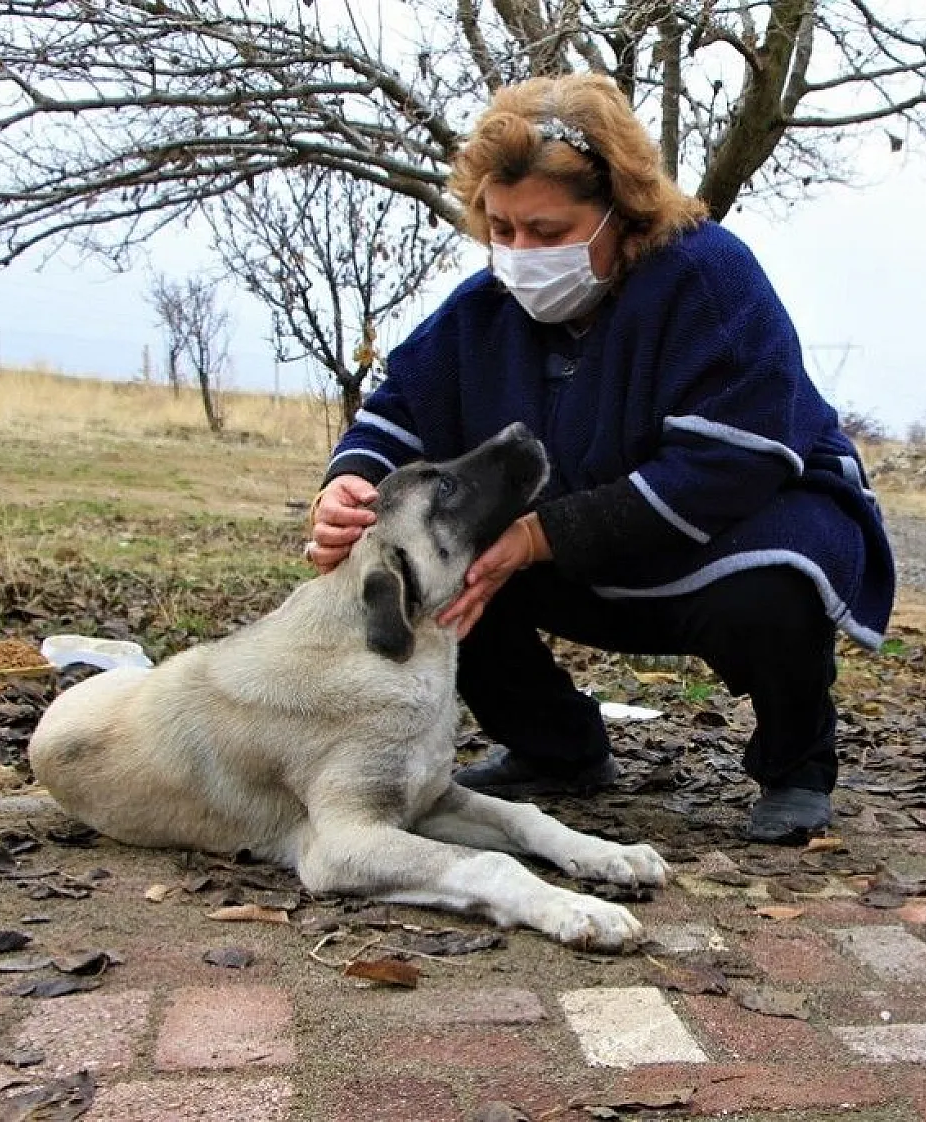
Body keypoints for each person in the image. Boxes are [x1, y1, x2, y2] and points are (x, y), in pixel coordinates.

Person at [305, 72, 894, 844]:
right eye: (503, 230)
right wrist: (350, 482)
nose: (520, 255)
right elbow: (401, 413)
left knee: (779, 583)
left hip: (718, 541)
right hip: (573, 552)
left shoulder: (710, 280)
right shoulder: (482, 311)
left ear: (623, 209)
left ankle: (797, 765)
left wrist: (538, 536)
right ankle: (557, 748)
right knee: (439, 571)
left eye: (548, 232)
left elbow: (732, 464)